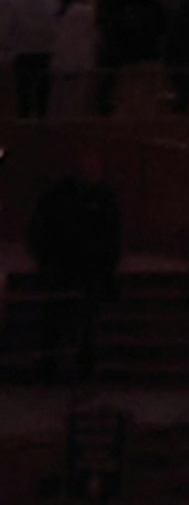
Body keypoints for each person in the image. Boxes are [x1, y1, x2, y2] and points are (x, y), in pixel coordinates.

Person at [26, 153, 121, 379]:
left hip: (91, 269)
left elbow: (112, 235)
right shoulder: (57, 197)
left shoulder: (103, 197)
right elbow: (40, 231)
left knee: (86, 322)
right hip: (63, 267)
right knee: (56, 320)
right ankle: (49, 366)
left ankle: (83, 365)